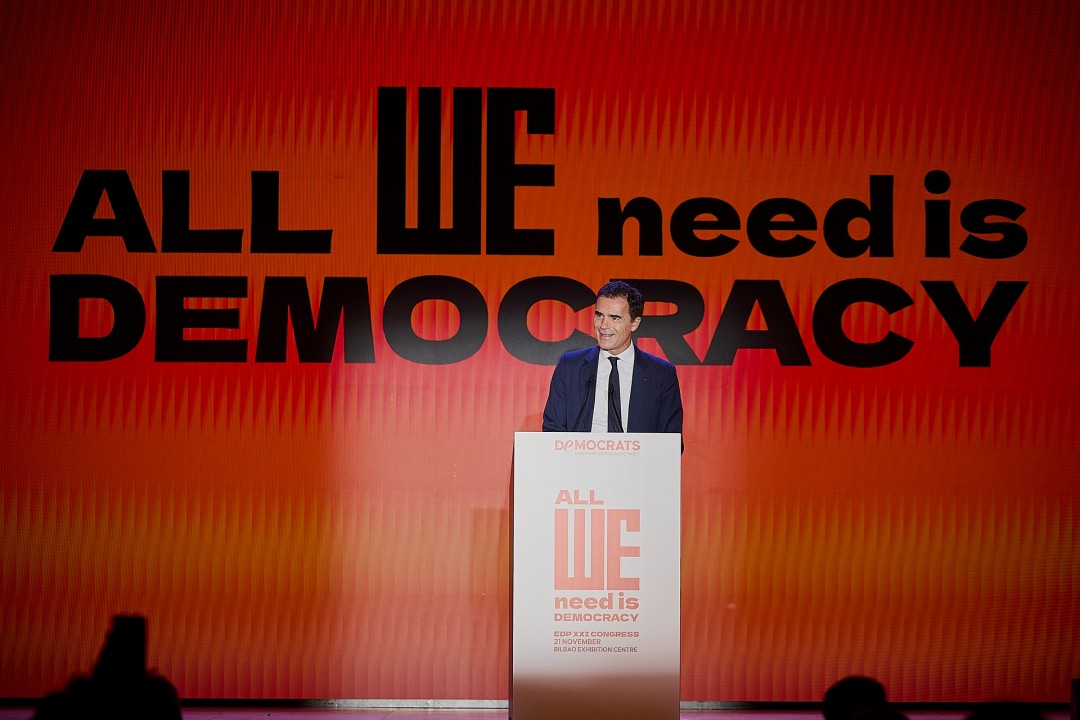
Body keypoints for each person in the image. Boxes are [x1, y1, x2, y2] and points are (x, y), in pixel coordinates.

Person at [542, 280, 683, 435]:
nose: (603, 325)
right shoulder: (569, 366)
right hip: (579, 451)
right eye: (599, 315)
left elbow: (671, 441)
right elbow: (553, 430)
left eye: (614, 318)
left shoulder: (661, 374)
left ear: (634, 323)